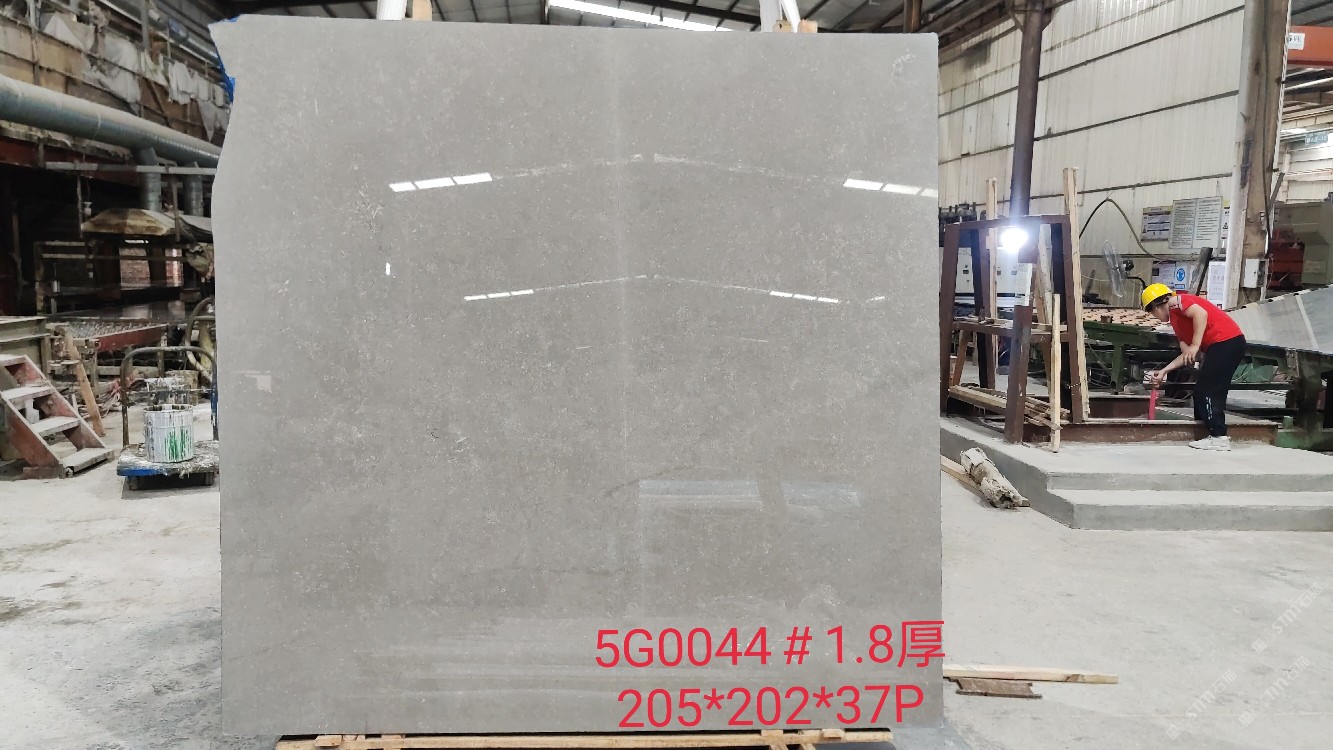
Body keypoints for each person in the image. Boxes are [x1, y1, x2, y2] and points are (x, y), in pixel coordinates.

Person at [1141, 283, 1246, 451]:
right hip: (1225, 345)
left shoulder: (1176, 302)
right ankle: (1208, 433)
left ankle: (1218, 436)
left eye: (1152, 312)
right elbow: (1189, 355)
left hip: (1225, 342)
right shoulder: (1176, 322)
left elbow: (1200, 314)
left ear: (1156, 306)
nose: (1154, 316)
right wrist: (1164, 371)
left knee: (1208, 390)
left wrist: (1196, 344)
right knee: (1204, 390)